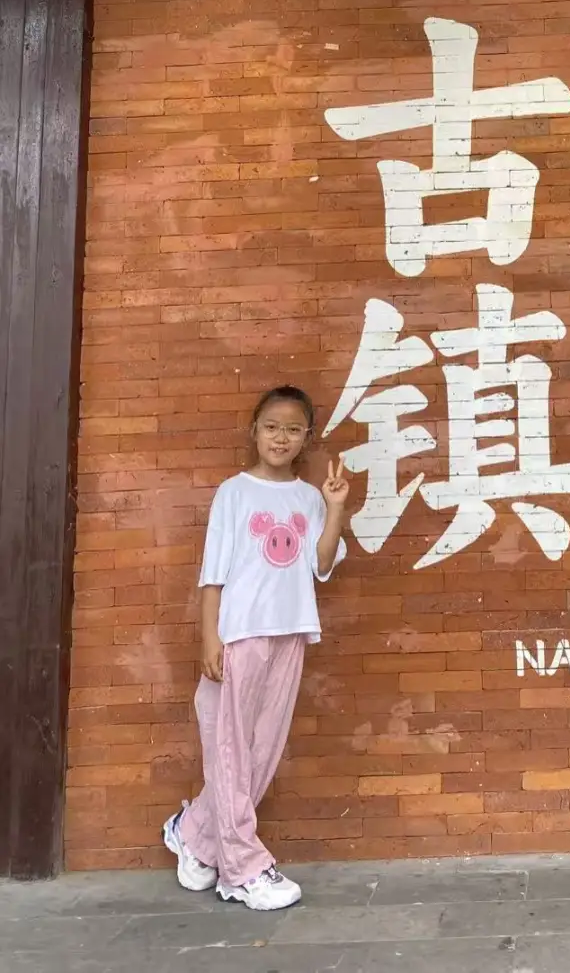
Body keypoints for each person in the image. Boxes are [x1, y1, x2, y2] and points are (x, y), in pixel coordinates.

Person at [162, 385, 349, 911]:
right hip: (240, 633)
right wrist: (210, 638)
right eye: (271, 427)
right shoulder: (234, 493)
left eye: (292, 429)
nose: (280, 437)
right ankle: (242, 869)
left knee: (260, 751)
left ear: (306, 437)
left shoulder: (308, 498)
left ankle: (194, 833)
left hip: (291, 630)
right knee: (231, 750)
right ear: (254, 431)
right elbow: (213, 573)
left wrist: (335, 507)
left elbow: (322, 563)